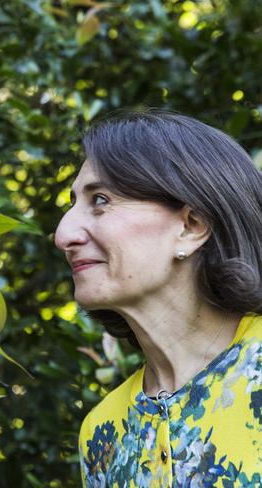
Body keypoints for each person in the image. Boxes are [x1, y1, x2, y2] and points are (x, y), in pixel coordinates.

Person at [54, 109, 262, 486]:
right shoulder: (102, 432)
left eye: (100, 200)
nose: (63, 234)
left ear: (191, 226)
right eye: (72, 204)